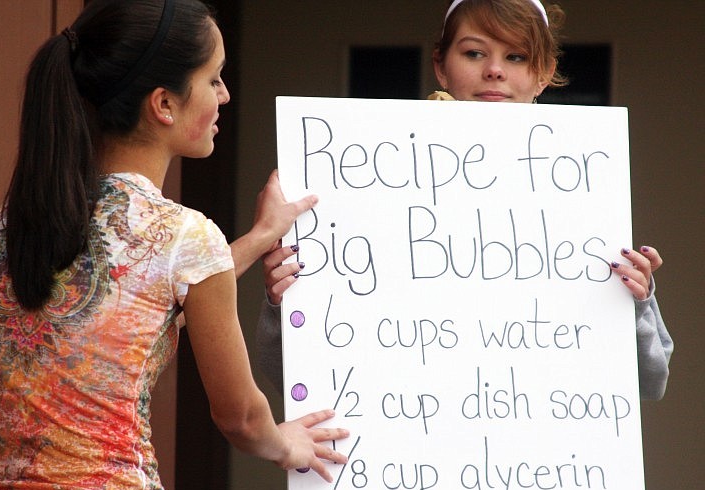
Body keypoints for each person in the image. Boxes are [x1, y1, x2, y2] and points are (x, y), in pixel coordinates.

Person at [0, 0, 349, 490]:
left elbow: (134, 308)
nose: (225, 94)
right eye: (213, 80)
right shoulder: (184, 235)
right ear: (164, 104)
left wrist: (259, 237)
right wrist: (287, 444)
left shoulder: (17, 224)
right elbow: (241, 418)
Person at [255, 0, 673, 401]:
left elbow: (650, 383)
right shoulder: (366, 177)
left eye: (516, 57)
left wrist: (635, 302)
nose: (494, 71)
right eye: (474, 53)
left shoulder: (582, 194)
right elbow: (292, 380)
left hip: (543, 462)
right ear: (441, 65)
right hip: (402, 456)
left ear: (544, 72)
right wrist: (284, 302)